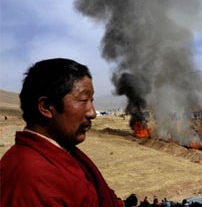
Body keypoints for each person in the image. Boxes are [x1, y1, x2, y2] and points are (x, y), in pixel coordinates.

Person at [0, 58, 122, 206]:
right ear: (46, 107)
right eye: (84, 100)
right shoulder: (32, 179)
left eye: (92, 100)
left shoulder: (64, 151)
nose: (92, 113)